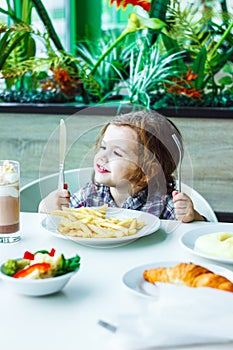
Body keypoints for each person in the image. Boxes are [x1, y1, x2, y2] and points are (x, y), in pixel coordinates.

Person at [39, 110, 206, 222]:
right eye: (103, 147)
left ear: (149, 170)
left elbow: (204, 235)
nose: (102, 157)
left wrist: (193, 217)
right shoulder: (89, 195)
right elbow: (60, 222)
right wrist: (47, 210)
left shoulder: (163, 204)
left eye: (117, 153)